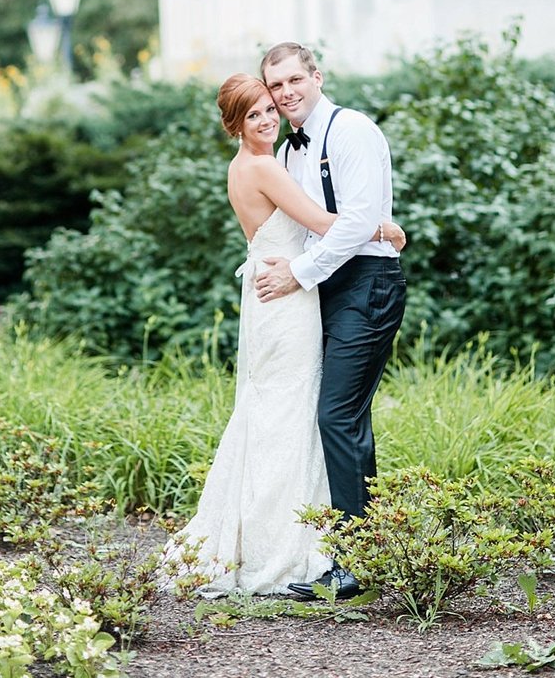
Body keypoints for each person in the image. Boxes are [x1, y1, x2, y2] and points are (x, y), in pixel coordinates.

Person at [163, 74, 405, 596]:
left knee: (275, 411)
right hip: (287, 301)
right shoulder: (265, 166)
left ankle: (282, 538)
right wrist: (385, 229)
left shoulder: (246, 166)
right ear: (235, 125)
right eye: (254, 115)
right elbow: (322, 223)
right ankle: (286, 549)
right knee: (290, 415)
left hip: (273, 294)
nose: (269, 119)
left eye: (270, 109)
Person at [257, 42, 407, 601]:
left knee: (337, 417)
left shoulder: (352, 131)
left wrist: (300, 272)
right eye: (276, 86)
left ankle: (352, 564)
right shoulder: (290, 150)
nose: (287, 92)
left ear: (317, 76)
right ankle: (368, 550)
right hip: (324, 286)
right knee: (339, 419)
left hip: (367, 286)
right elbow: (319, 220)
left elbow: (357, 221)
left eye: (296, 79)